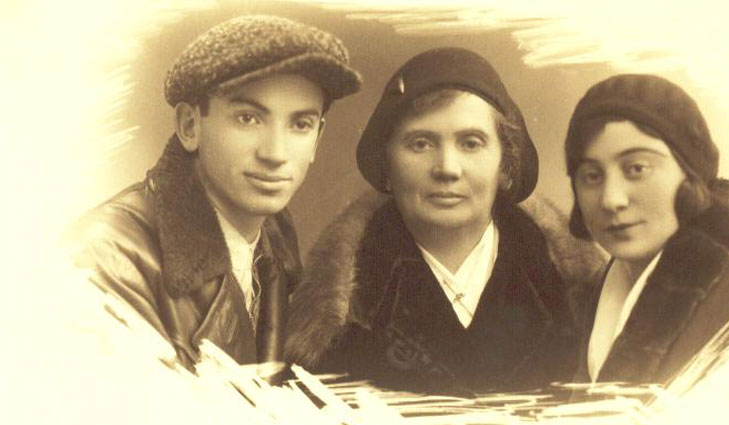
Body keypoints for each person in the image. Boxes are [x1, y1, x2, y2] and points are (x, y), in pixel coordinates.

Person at [283, 47, 603, 395]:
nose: (447, 168)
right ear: (387, 165)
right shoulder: (336, 312)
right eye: (420, 144)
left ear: (506, 164)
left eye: (471, 143)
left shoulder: (573, 290)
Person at [70, 15, 361, 369]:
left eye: (300, 125)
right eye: (248, 118)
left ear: (317, 139)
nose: (275, 153)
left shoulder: (274, 238)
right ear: (190, 126)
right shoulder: (105, 255)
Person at [565, 74, 729, 385]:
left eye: (636, 168)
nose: (611, 199)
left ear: (690, 172)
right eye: (592, 176)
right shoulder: (606, 282)